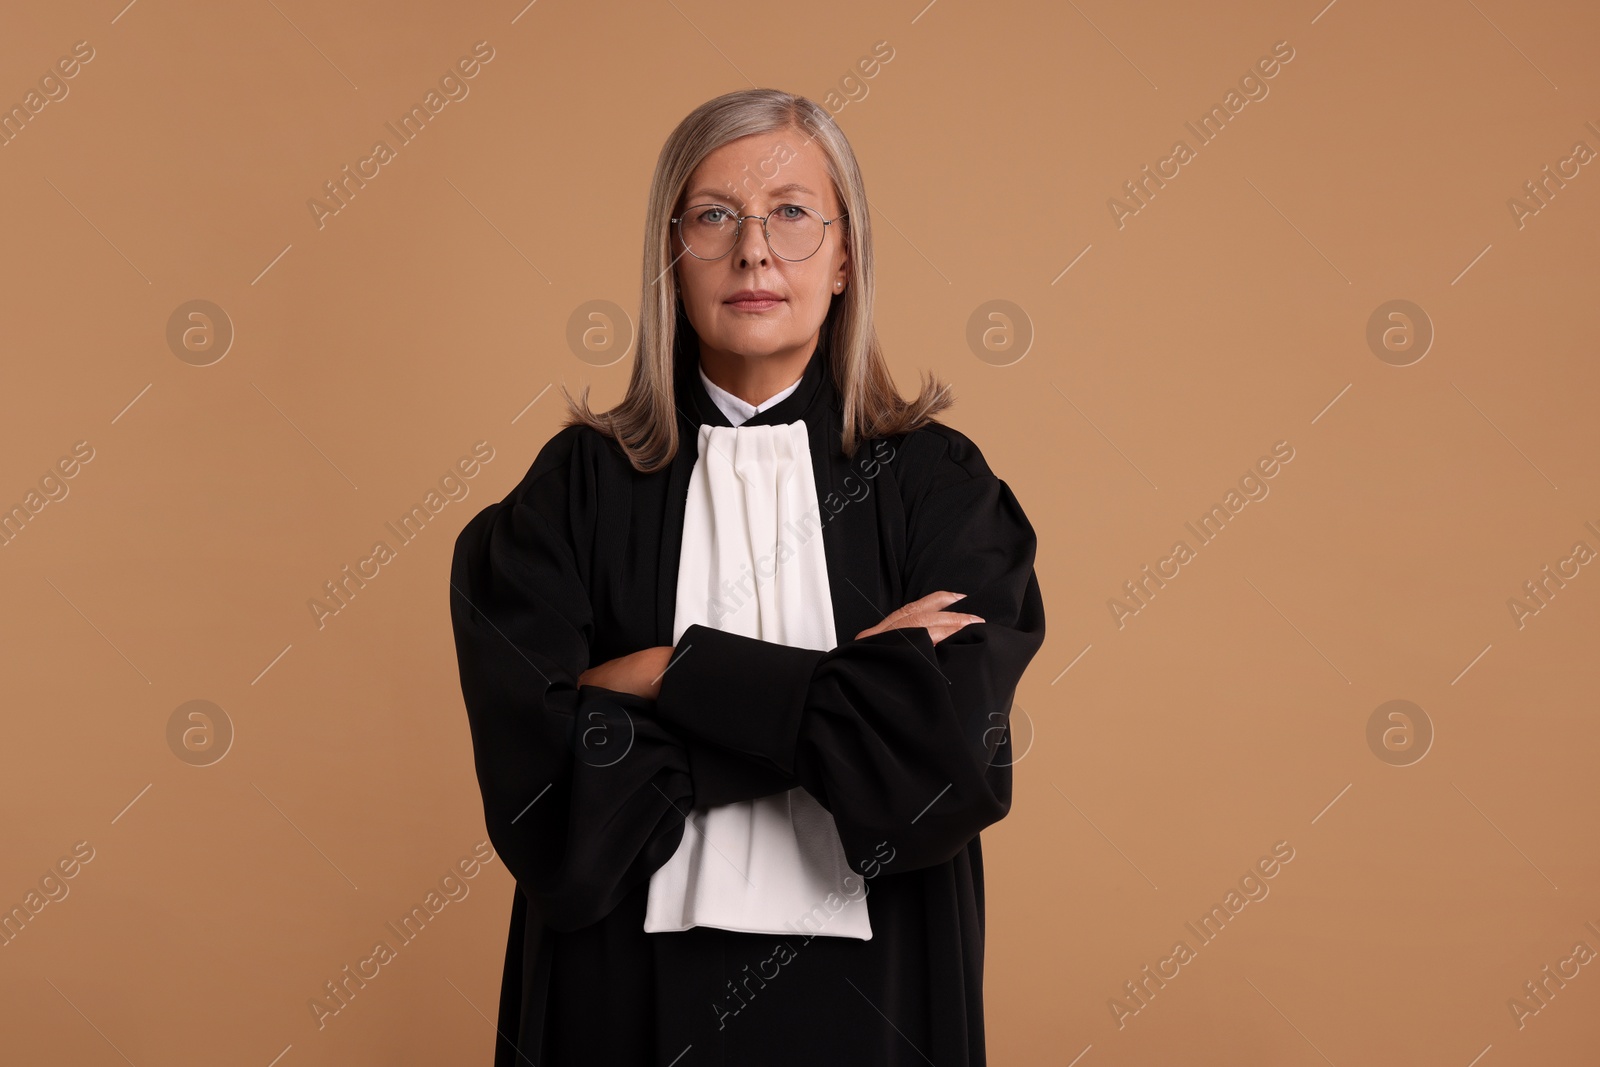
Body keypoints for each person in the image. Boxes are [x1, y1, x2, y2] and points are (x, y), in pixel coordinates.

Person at [449, 87, 1046, 1066]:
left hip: (880, 994)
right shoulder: (573, 492)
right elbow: (547, 796)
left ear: (846, 253)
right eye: (714, 215)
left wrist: (664, 675)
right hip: (618, 995)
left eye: (792, 213)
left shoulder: (941, 486)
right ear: (670, 254)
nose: (754, 250)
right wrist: (845, 692)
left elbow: (936, 773)